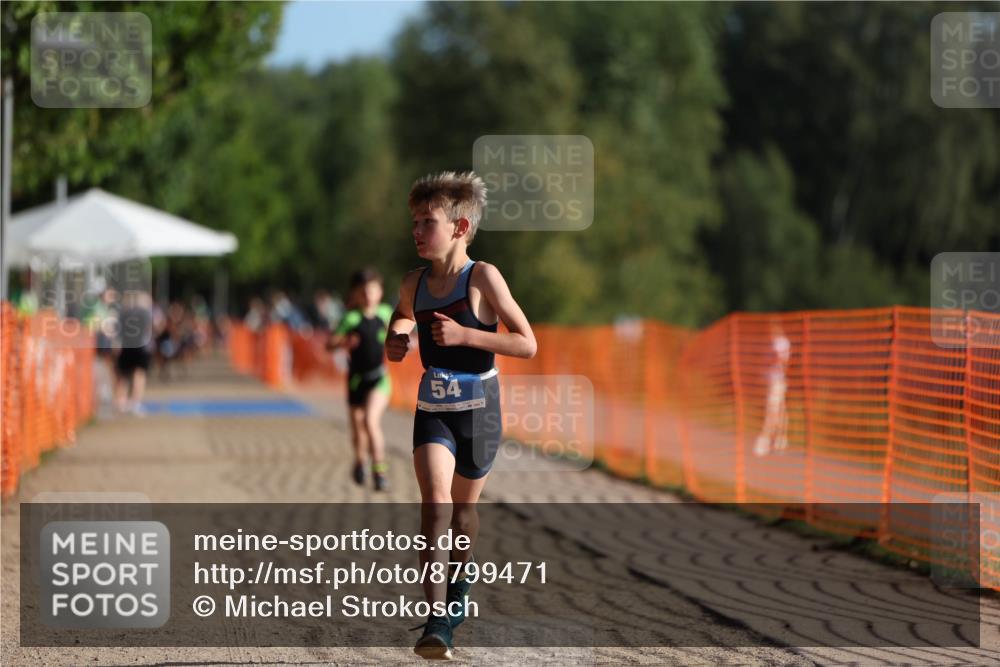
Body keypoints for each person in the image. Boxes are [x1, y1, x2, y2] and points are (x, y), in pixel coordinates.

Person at [385, 171, 536, 660]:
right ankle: (437, 624)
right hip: (434, 408)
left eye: (427, 222)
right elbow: (401, 316)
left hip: (481, 413)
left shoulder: (483, 277)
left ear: (460, 227)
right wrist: (398, 339)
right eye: (414, 221)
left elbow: (527, 343)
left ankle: (459, 589)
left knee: (464, 516)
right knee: (435, 505)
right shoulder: (413, 283)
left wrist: (467, 336)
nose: (416, 231)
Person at [327, 269, 393, 492]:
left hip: (379, 378)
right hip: (356, 379)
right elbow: (329, 344)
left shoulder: (386, 313)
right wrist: (344, 342)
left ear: (380, 292)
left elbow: (402, 332)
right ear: (355, 294)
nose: (368, 296)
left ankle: (379, 470)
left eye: (372, 291)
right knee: (357, 427)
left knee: (371, 421)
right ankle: (360, 460)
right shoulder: (350, 318)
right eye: (363, 291)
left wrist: (400, 339)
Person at [115, 290, 153, 416]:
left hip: (126, 346)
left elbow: (118, 331)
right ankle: (135, 403)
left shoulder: (123, 313)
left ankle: (121, 403)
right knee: (139, 375)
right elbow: (150, 329)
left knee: (124, 376)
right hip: (140, 347)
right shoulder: (145, 313)